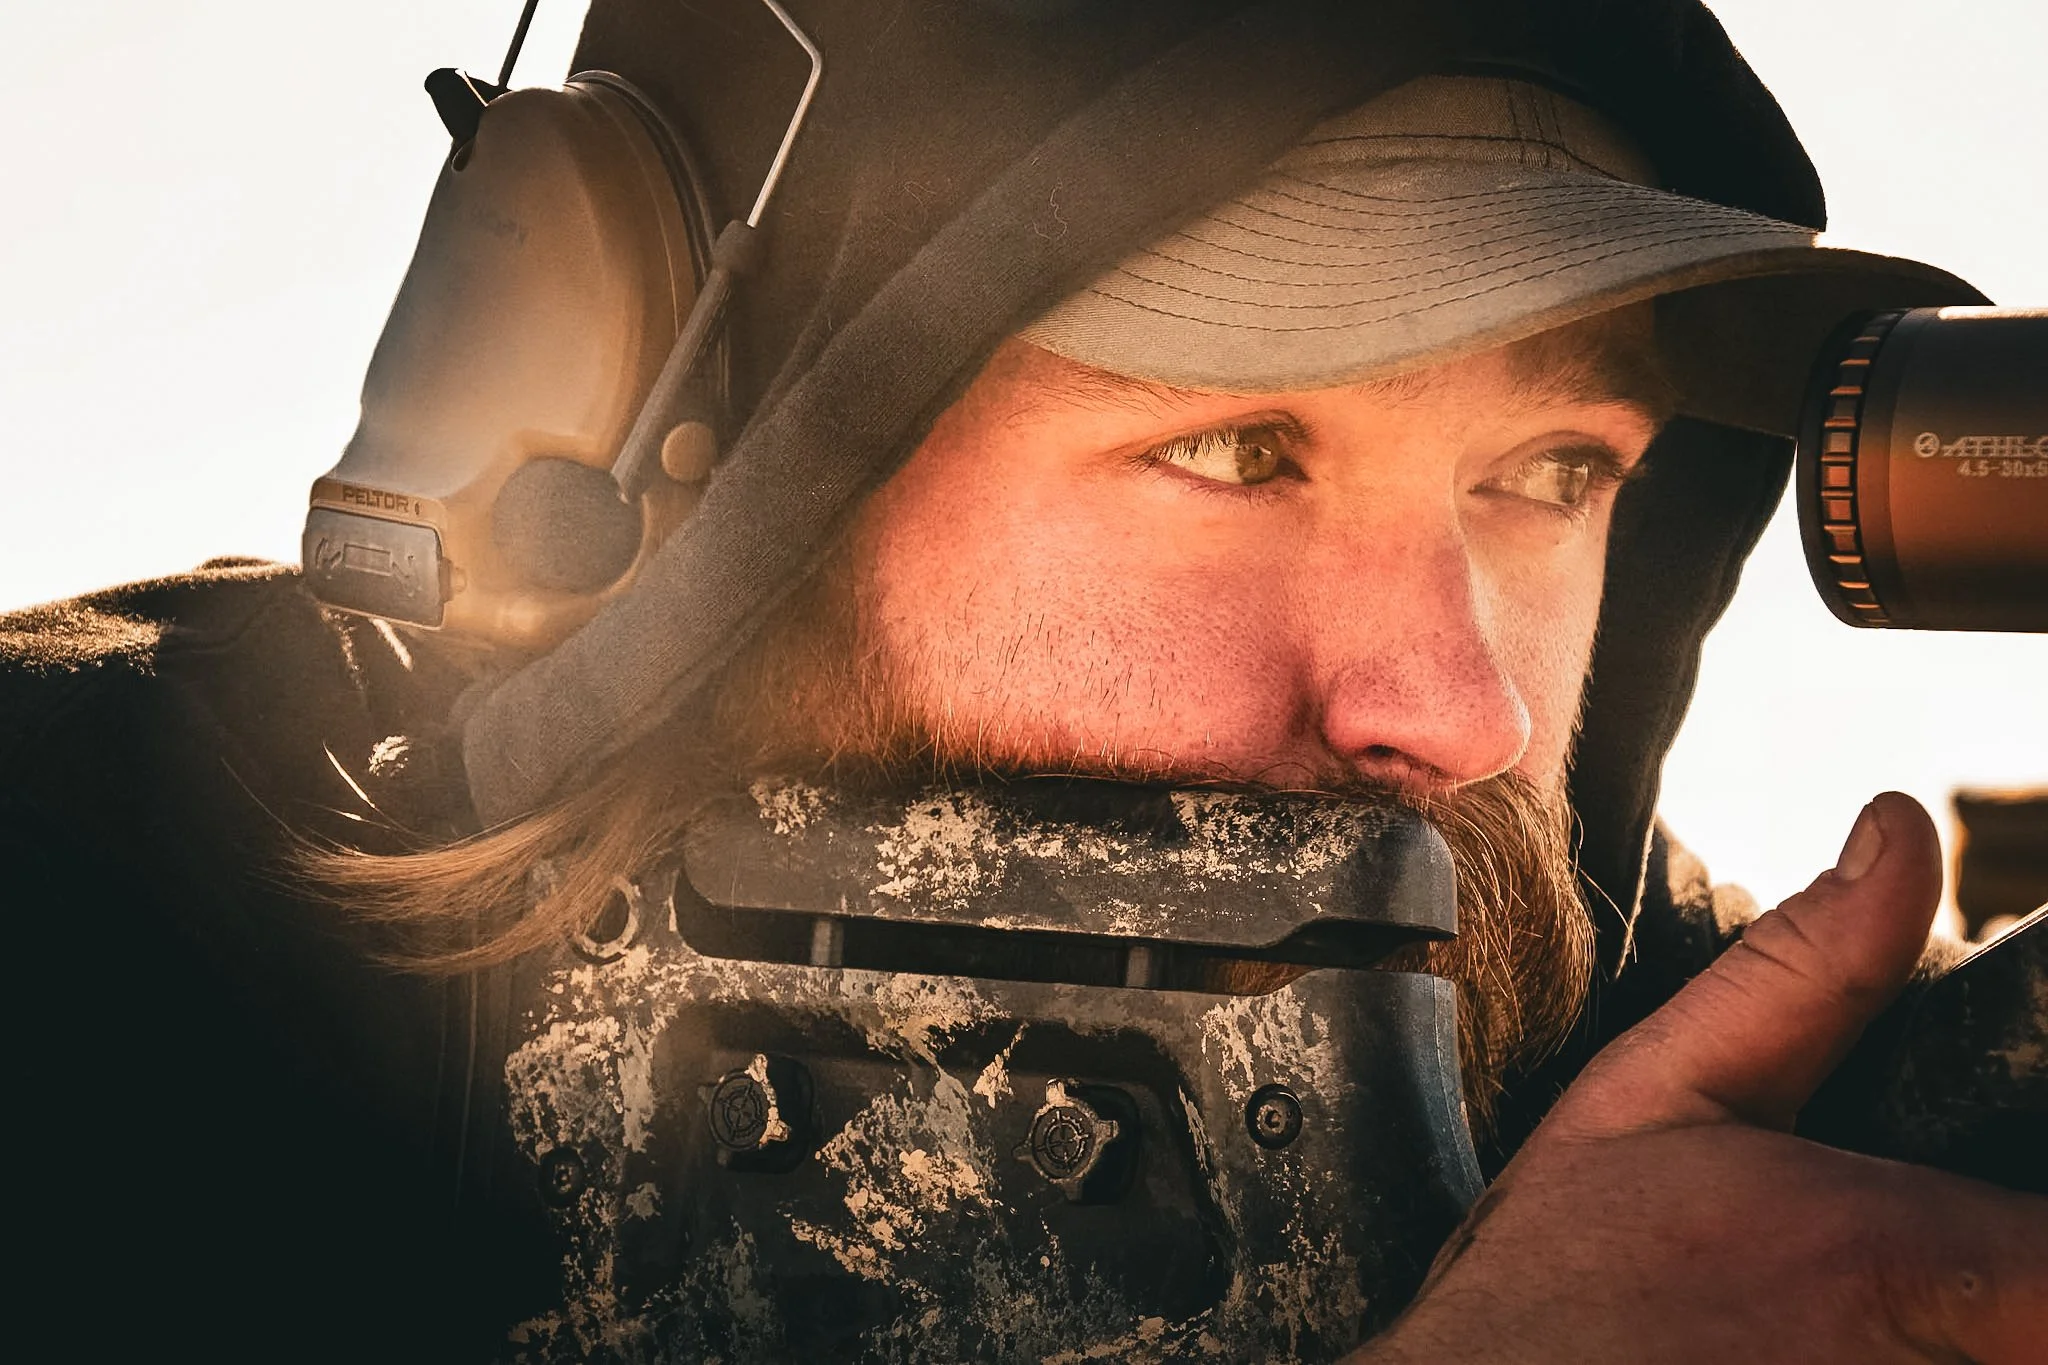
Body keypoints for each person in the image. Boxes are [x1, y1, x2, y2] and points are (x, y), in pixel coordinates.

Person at [3, 1, 2040, 1361]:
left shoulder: (1652, 1046)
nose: (1460, 708)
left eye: (1545, 475)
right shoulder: (85, 930)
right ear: (693, 484)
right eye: (1243, 451)